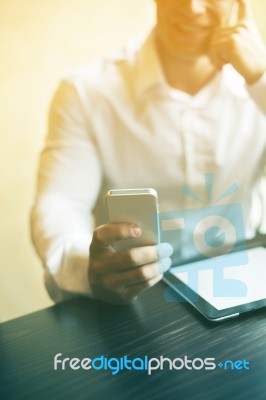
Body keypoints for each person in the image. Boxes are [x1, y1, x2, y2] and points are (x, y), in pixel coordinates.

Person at [31, 0, 266, 304]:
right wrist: (86, 267)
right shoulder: (85, 92)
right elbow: (60, 202)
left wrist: (261, 78)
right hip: (133, 302)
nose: (193, 8)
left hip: (242, 285)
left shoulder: (258, 84)